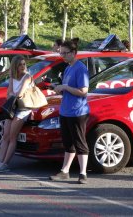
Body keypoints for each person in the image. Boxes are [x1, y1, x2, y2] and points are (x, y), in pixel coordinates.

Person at [49, 40, 90, 184]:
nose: (63, 56)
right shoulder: (67, 68)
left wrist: (65, 87)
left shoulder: (80, 68)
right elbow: (68, 90)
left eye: (65, 53)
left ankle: (83, 173)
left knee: (80, 142)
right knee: (68, 143)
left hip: (77, 112)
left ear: (73, 53)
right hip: (65, 111)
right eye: (61, 53)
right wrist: (58, 88)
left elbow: (83, 91)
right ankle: (65, 171)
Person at [0, 55, 32, 173]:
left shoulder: (27, 77)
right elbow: (9, 94)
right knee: (5, 135)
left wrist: (14, 94)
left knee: (13, 137)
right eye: (20, 65)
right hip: (13, 108)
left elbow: (19, 93)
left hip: (23, 109)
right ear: (15, 66)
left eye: (24, 64)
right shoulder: (13, 77)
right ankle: (0, 162)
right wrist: (13, 94)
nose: (23, 66)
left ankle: (5, 164)